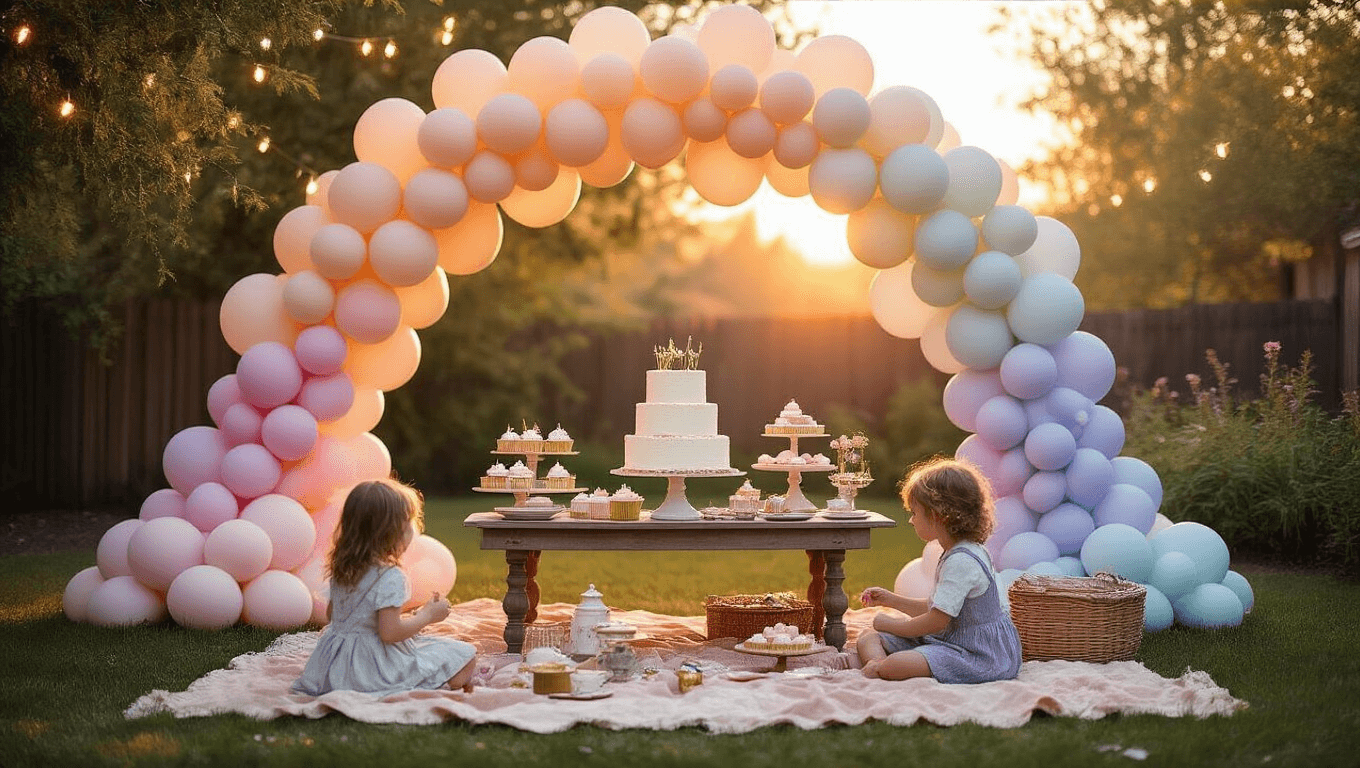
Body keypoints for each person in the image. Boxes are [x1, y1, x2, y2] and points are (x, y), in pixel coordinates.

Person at [292, 479, 477, 696]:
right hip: (372, 669)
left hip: (333, 668)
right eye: (408, 525)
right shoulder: (390, 576)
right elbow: (390, 633)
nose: (413, 531)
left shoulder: (343, 567)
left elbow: (333, 615)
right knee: (466, 654)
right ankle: (433, 685)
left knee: (426, 645)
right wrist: (427, 615)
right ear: (390, 533)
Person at [856, 458, 1022, 683]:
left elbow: (936, 621)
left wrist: (890, 624)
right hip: (951, 639)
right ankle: (878, 666)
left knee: (898, 663)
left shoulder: (962, 561)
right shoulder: (958, 550)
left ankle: (883, 667)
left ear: (938, 516)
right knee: (868, 637)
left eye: (915, 512)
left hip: (978, 654)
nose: (911, 520)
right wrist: (890, 600)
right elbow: (938, 607)